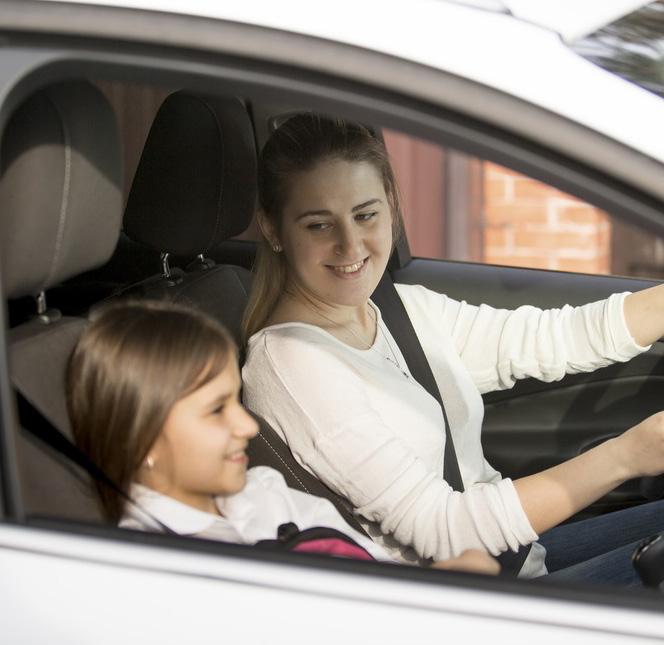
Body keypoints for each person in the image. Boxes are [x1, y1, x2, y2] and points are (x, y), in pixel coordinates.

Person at [241, 113, 664, 585]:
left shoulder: (398, 309)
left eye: (365, 215)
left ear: (391, 208)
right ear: (273, 230)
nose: (350, 244)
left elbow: (550, 339)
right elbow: (444, 530)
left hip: (516, 558)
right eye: (319, 225)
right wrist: (628, 455)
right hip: (463, 601)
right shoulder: (292, 361)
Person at [66, 299, 499, 576]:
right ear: (141, 442)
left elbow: (374, 569)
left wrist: (447, 577)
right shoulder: (163, 571)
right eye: (217, 410)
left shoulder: (263, 490)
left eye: (236, 401)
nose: (248, 426)